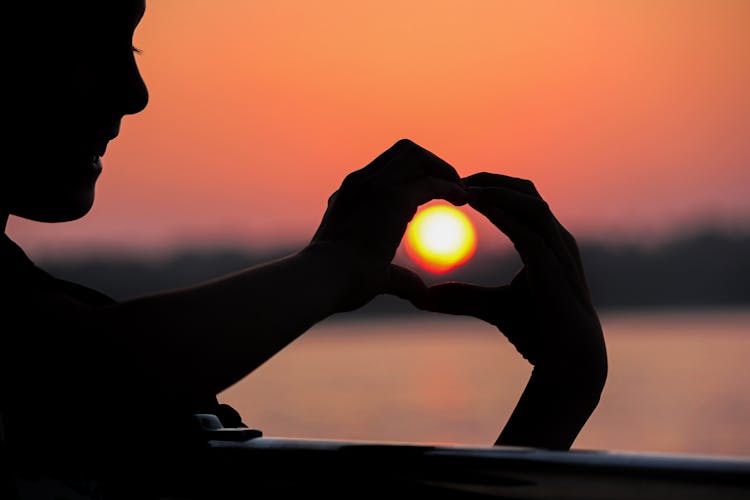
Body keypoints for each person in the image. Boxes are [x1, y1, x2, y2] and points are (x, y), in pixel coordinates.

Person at [1, 0, 607, 497]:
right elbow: (88, 377)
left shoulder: (45, 317)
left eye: (129, 48)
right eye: (88, 42)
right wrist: (336, 264)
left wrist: (563, 385)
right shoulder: (58, 348)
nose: (133, 93)